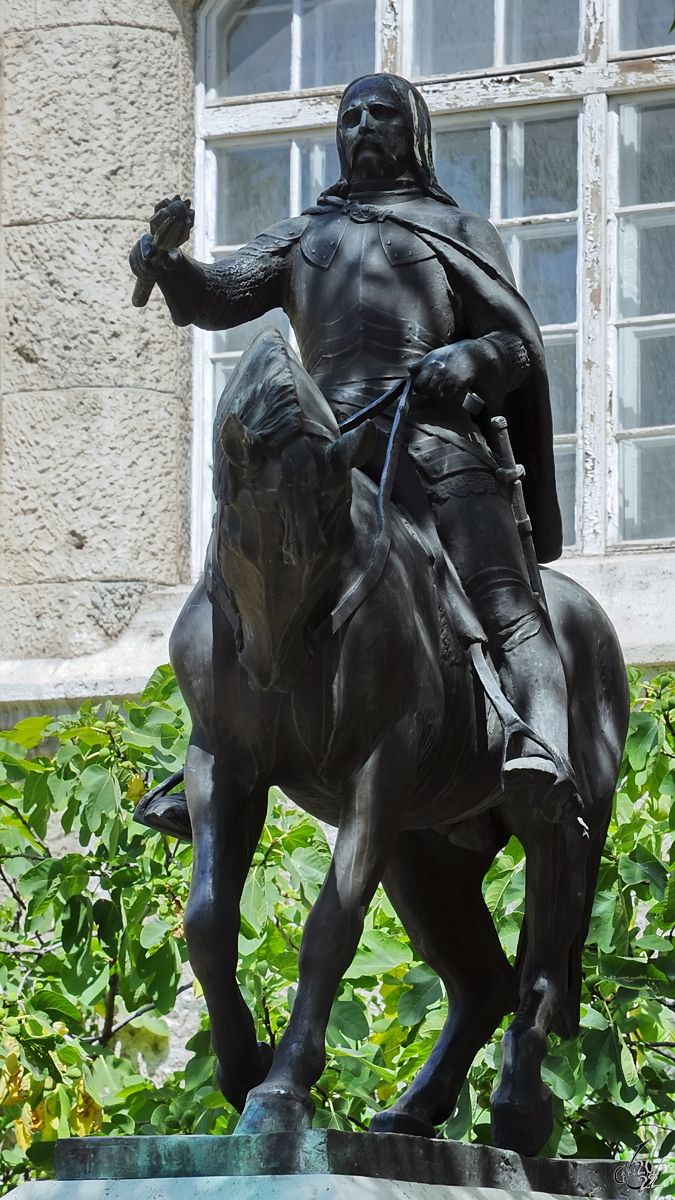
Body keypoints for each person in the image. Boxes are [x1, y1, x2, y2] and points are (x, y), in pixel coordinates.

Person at [129, 72, 577, 817]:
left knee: (508, 605)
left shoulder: (457, 232)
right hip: (326, 454)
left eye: (381, 114)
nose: (363, 124)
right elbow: (220, 294)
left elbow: (516, 343)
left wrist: (469, 359)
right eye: (350, 115)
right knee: (240, 582)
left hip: (433, 441)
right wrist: (169, 261)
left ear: (414, 135)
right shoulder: (307, 234)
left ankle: (541, 745)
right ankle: (213, 748)